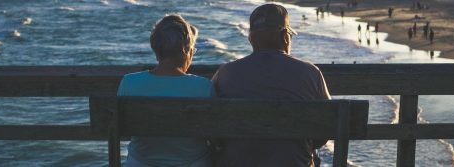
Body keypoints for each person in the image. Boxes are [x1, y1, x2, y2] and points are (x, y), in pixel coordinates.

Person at [212, 4, 331, 167]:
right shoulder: (311, 73)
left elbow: (213, 129)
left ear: (250, 38)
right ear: (285, 36)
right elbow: (327, 128)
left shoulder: (225, 73)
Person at [117, 14, 214, 167]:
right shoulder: (203, 86)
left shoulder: (129, 82)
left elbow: (123, 131)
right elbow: (213, 135)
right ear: (186, 50)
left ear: (156, 48)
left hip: (140, 163)